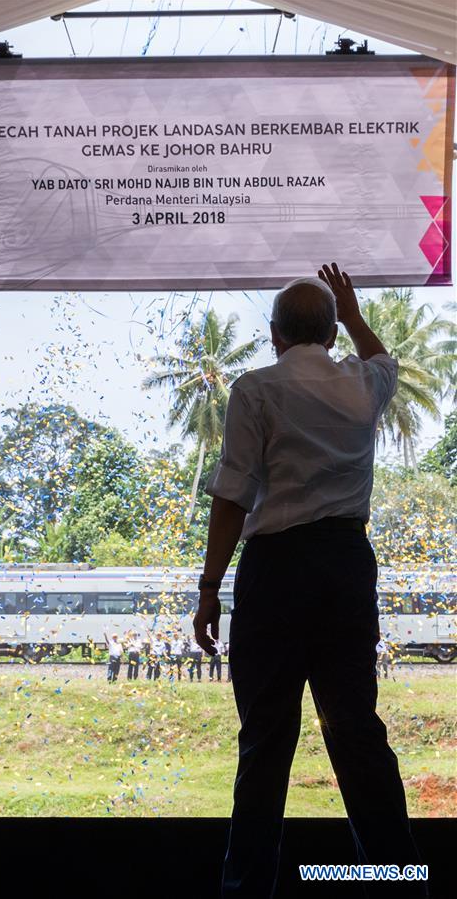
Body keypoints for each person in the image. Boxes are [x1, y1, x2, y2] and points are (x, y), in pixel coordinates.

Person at [193, 265, 428, 898]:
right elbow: (385, 359)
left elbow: (233, 496)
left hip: (276, 570)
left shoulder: (254, 390)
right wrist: (351, 314)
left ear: (272, 336)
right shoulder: (363, 385)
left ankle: (246, 890)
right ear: (329, 335)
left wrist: (211, 586)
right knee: (356, 732)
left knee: (266, 739)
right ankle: (403, 887)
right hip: (346, 566)